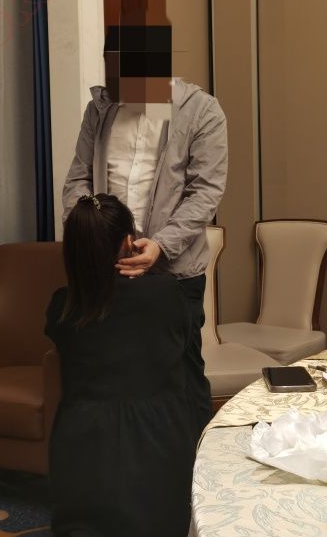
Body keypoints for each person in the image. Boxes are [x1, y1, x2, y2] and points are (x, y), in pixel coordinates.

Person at [45, 194, 200, 537]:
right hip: (161, 440)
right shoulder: (166, 294)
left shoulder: (64, 305)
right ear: (128, 242)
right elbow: (185, 354)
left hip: (87, 446)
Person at [62, 75, 228, 433]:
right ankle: (122, 460)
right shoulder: (100, 110)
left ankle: (197, 462)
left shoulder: (201, 110)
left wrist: (161, 244)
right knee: (112, 378)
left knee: (182, 378)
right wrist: (92, 237)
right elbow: (78, 180)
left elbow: (205, 192)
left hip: (173, 270)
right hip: (108, 269)